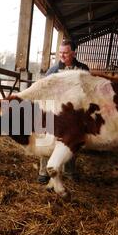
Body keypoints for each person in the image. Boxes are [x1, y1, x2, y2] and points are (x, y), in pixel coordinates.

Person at [37, 39, 90, 184]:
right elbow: (44, 91)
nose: (62, 55)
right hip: (54, 111)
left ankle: (70, 171)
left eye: (65, 53)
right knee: (47, 140)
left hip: (73, 113)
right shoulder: (53, 71)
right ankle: (43, 172)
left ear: (74, 53)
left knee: (71, 140)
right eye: (60, 52)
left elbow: (87, 91)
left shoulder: (83, 69)